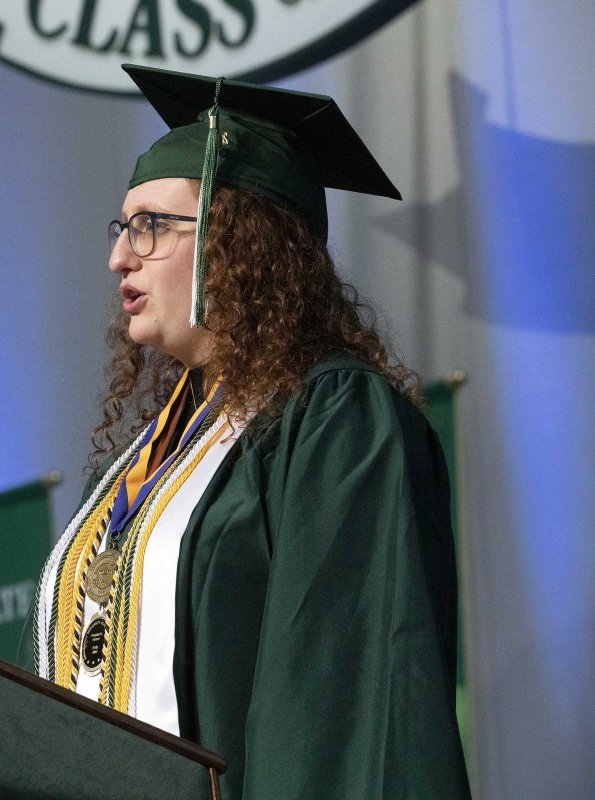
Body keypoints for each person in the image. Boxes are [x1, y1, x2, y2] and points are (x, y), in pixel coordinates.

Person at [23, 66, 472, 800]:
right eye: (121, 227)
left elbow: (342, 703)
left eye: (151, 226)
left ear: (240, 244)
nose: (119, 257)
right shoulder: (151, 458)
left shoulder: (333, 423)